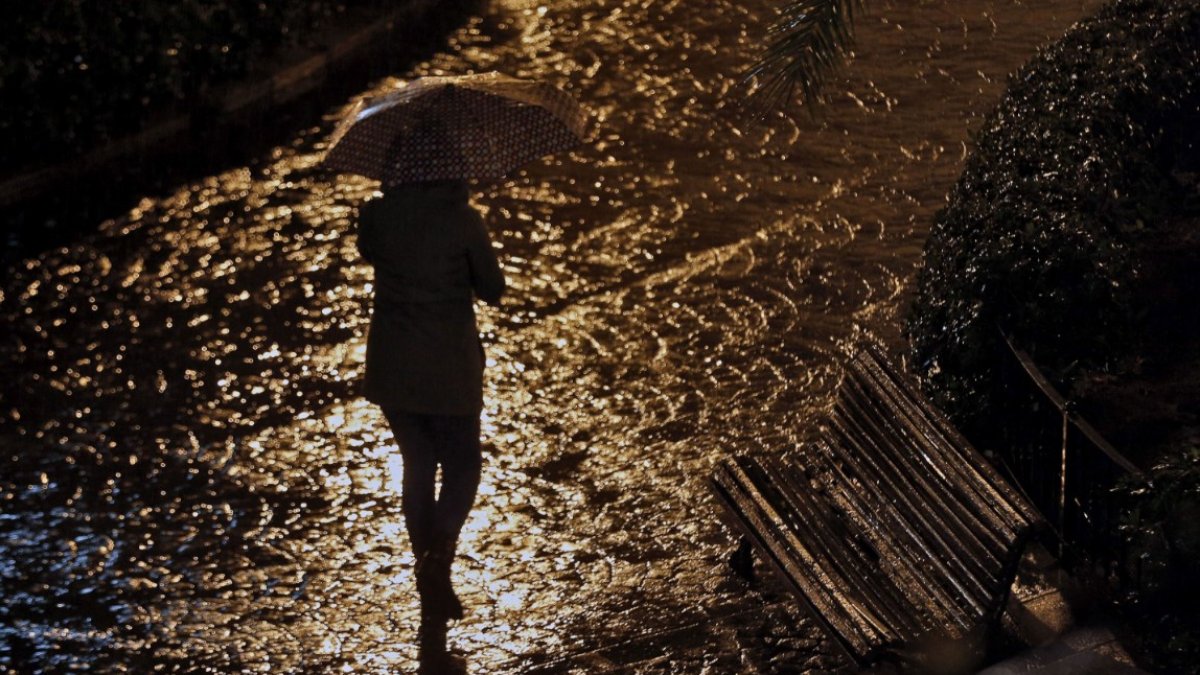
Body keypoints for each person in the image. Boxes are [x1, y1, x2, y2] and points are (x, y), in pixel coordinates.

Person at [356, 178, 505, 666]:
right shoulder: (463, 220)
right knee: (463, 466)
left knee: (417, 464)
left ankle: (428, 579)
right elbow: (493, 289)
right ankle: (439, 556)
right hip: (449, 364)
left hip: (392, 364)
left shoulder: (376, 214)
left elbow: (368, 251)